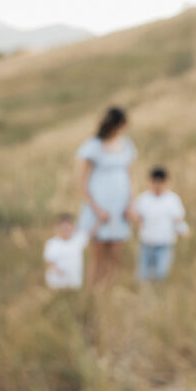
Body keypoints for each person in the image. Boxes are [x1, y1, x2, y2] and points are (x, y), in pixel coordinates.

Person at [77, 106, 137, 287]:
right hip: (100, 208)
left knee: (115, 254)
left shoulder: (126, 145)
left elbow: (130, 177)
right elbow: (82, 183)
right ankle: (93, 290)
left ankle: (109, 289)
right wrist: (97, 209)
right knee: (98, 255)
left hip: (120, 207)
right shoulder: (93, 146)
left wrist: (131, 204)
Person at [133, 167, 189, 283]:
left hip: (165, 243)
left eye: (161, 182)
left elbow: (177, 219)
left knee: (161, 273)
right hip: (147, 242)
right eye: (155, 182)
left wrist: (183, 230)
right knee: (143, 274)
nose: (158, 186)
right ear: (150, 182)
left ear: (166, 183)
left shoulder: (172, 199)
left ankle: (158, 292)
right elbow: (137, 216)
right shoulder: (144, 199)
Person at [43, 212, 95, 289]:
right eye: (63, 227)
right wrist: (57, 271)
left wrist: (100, 221)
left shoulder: (78, 240)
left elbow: (91, 234)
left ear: (73, 227)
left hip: (74, 283)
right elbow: (49, 261)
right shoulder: (52, 243)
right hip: (57, 283)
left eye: (68, 226)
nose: (66, 229)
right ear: (58, 228)